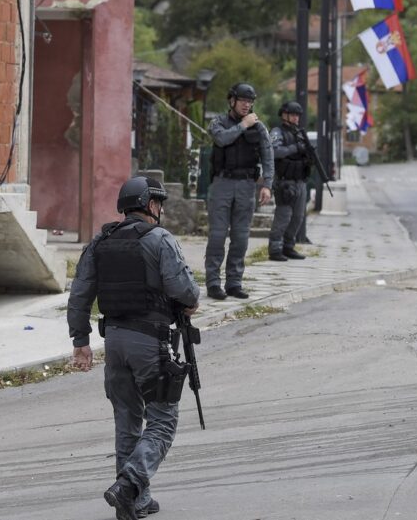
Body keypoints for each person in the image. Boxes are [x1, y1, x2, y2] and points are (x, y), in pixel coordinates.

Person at [68, 176, 200, 520]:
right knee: (162, 422)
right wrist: (189, 302)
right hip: (149, 342)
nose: (161, 210)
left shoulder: (100, 241)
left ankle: (136, 502)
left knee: (126, 421)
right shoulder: (159, 239)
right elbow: (185, 291)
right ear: (150, 205)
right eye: (159, 204)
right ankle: (129, 485)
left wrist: (80, 341)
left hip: (114, 342)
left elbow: (79, 295)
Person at [203, 83, 274, 300]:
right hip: (222, 184)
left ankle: (234, 282)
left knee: (241, 237)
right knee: (217, 236)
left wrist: (267, 185)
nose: (247, 104)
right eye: (243, 100)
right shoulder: (218, 122)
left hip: (246, 186)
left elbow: (268, 156)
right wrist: (243, 125)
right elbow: (222, 139)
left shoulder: (259, 127)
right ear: (232, 101)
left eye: (250, 101)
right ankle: (213, 283)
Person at [268, 101, 311, 261]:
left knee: (298, 216)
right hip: (285, 181)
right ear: (284, 115)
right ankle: (275, 249)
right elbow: (275, 151)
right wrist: (295, 148)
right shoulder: (278, 132)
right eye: (293, 114)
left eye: (297, 115)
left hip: (300, 180)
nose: (296, 118)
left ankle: (288, 246)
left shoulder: (299, 133)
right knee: (283, 215)